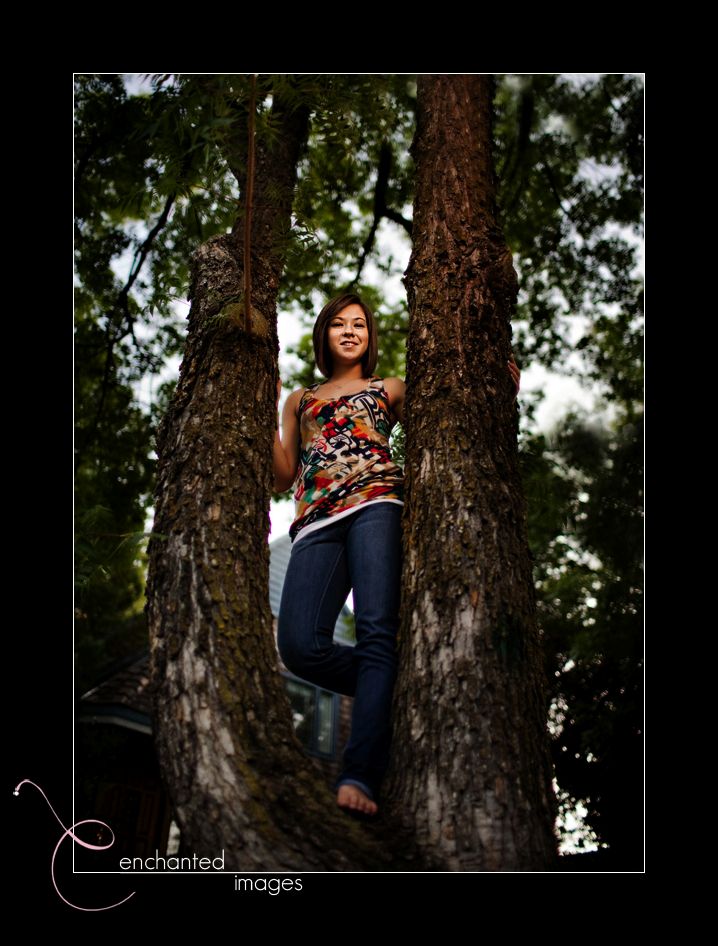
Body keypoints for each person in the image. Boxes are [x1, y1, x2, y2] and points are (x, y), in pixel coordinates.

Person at [273, 292, 520, 818]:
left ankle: (359, 772)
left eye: (359, 324)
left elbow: (446, 421)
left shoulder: (389, 388)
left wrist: (498, 389)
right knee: (299, 647)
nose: (349, 331)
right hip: (315, 522)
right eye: (338, 323)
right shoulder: (299, 398)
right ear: (323, 334)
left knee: (376, 634)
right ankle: (392, 681)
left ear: (370, 336)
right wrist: (260, 410)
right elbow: (281, 473)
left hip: (377, 506)